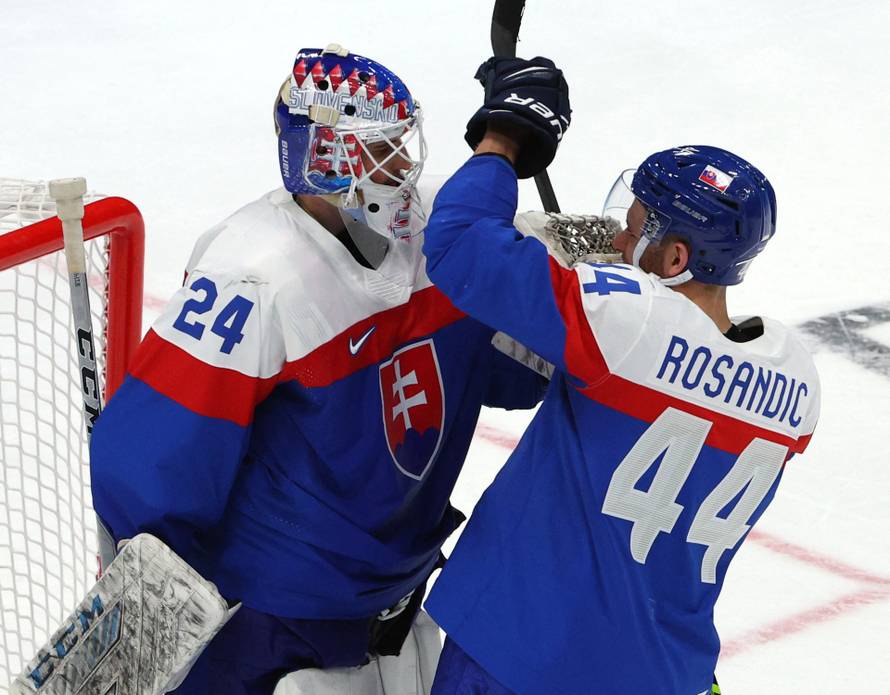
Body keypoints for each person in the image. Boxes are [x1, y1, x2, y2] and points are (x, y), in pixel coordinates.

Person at [89, 45, 547, 695]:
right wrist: (149, 599)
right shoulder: (253, 271)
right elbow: (151, 460)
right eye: (383, 151)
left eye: (402, 145)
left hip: (394, 601)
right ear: (329, 159)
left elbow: (509, 366)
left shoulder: (429, 232)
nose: (405, 168)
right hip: (269, 629)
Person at [420, 55, 821, 694]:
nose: (617, 237)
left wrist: (504, 138)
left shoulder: (621, 323)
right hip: (661, 671)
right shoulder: (796, 385)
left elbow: (458, 243)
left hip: (522, 653)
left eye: (634, 229)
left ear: (676, 256)